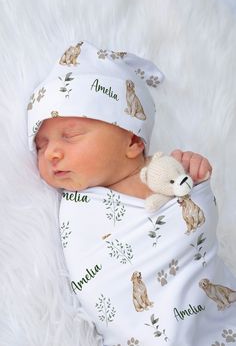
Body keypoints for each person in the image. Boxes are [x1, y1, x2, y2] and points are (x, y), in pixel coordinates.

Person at [27, 41, 236, 346]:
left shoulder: (161, 175)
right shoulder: (75, 205)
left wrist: (195, 181)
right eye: (41, 145)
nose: (51, 154)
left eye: (70, 135)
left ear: (133, 142)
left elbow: (195, 232)